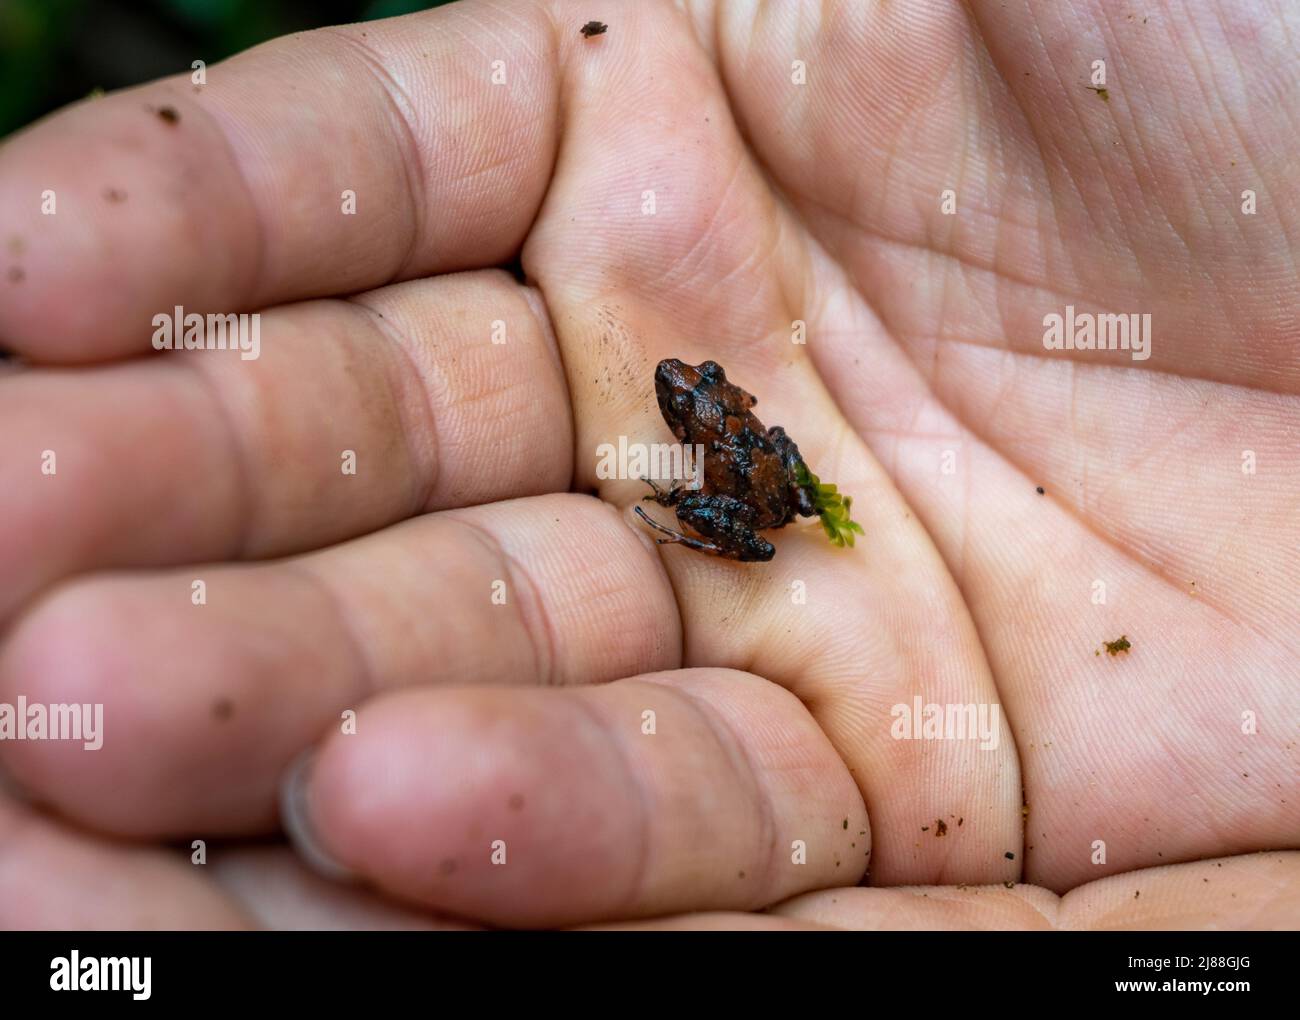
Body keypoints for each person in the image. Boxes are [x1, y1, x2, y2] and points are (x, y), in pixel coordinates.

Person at [0, 0, 1294, 929]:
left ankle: (711, 523)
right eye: (686, 394)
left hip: (758, 499)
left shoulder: (716, 432)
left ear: (698, 408)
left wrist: (696, 512)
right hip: (774, 481)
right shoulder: (739, 415)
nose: (683, 390)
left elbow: (746, 448)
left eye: (687, 392)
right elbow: (759, 430)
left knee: (719, 511)